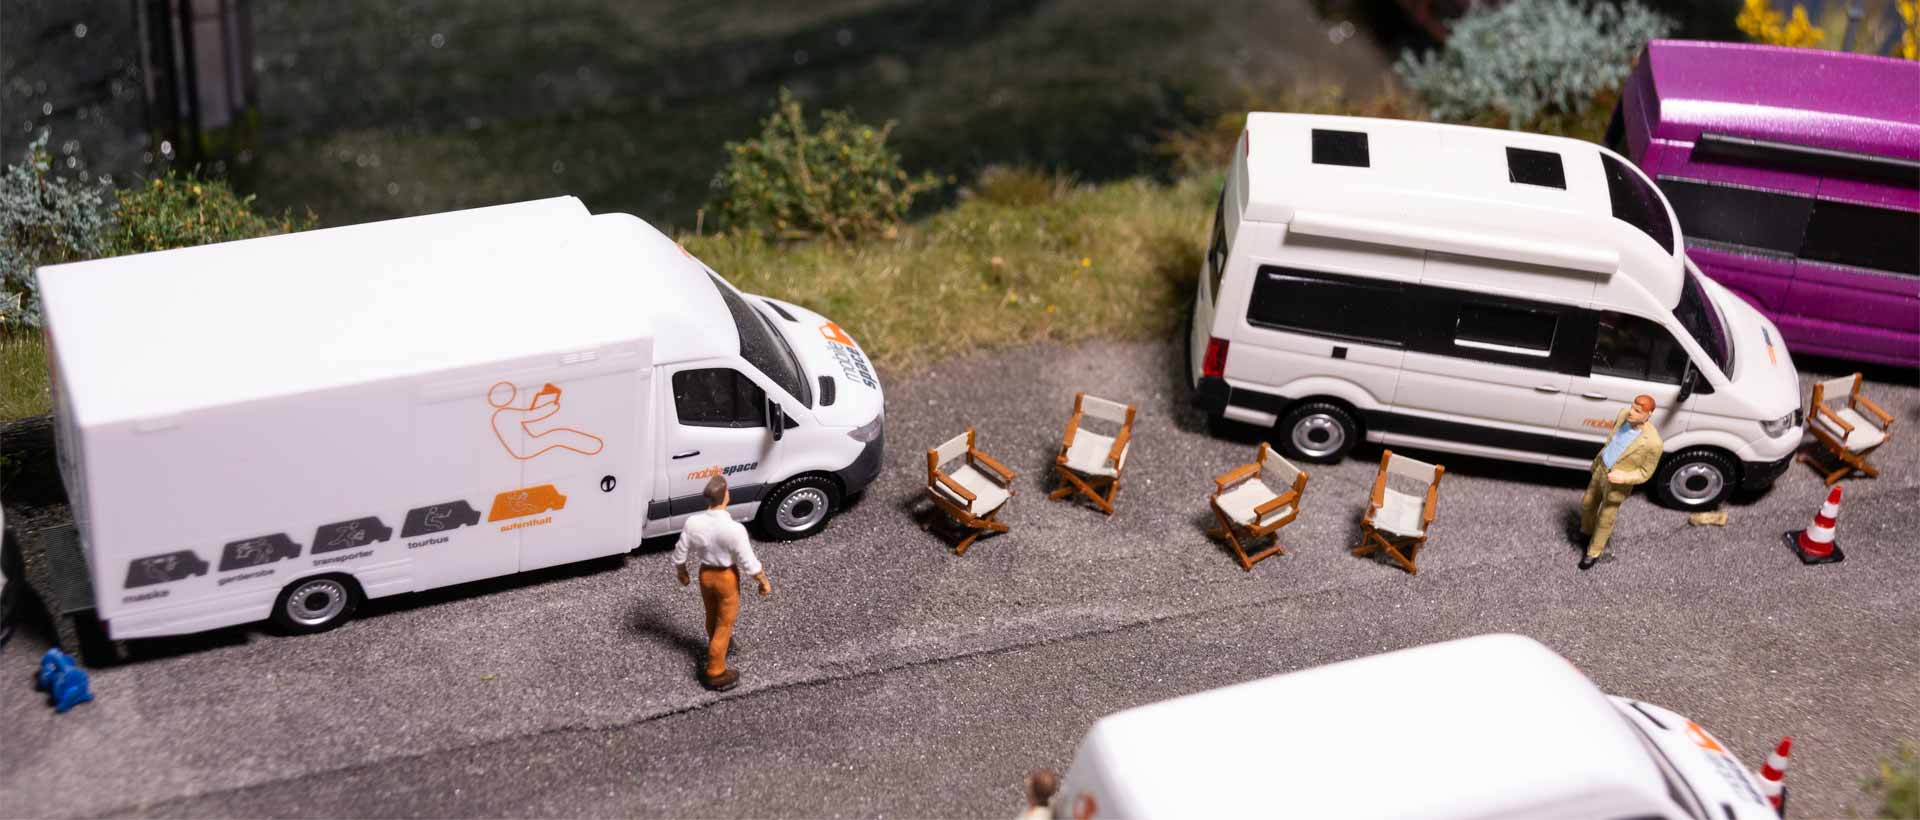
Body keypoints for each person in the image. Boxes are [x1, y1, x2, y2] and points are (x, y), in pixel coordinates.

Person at [672, 475, 771, 690]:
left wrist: (682, 571)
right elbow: (749, 562)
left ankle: (718, 644)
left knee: (711, 614)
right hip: (725, 577)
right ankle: (716, 671)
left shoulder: (693, 522)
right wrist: (762, 580)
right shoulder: (734, 529)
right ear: (726, 496)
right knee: (724, 624)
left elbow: (680, 551)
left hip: (705, 575)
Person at [1579, 395, 1664, 571]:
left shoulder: (1653, 443)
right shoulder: (1623, 415)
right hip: (1601, 469)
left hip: (1617, 484)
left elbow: (1645, 472)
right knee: (1587, 503)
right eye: (1632, 407)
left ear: (1648, 414)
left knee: (1606, 518)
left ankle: (1593, 551)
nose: (1631, 412)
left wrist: (1624, 477)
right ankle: (1586, 532)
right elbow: (1613, 441)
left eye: (1637, 411)